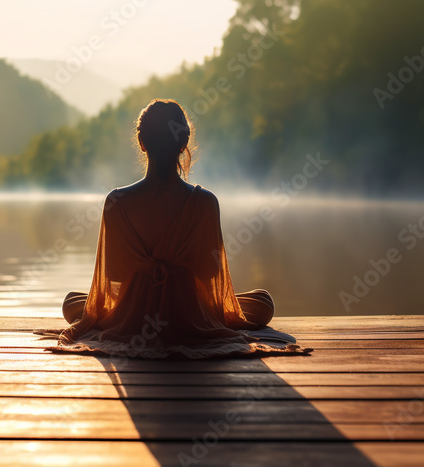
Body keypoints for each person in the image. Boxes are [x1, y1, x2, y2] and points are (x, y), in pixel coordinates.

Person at [55, 99, 306, 359]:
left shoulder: (116, 201)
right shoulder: (205, 202)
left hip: (134, 317)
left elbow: (114, 276)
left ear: (142, 143)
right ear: (183, 143)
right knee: (263, 302)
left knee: (73, 302)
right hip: (189, 315)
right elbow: (210, 275)